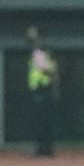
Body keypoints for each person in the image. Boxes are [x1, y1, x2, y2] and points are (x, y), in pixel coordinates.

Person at [26, 26, 59, 157]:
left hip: (42, 89)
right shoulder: (44, 52)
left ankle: (42, 148)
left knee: (40, 121)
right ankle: (46, 147)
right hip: (44, 89)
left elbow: (46, 70)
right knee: (45, 121)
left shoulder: (39, 52)